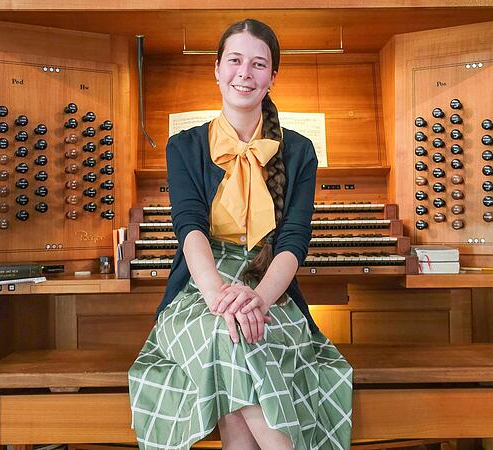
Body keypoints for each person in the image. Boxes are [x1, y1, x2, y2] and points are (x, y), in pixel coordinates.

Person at [128, 18, 352, 450]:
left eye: (258, 64)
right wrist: (217, 296)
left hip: (269, 287)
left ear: (272, 77)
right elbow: (188, 226)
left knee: (239, 334)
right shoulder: (185, 146)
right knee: (226, 329)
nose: (244, 74)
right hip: (199, 288)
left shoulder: (300, 150)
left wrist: (259, 299)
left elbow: (293, 241)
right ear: (216, 68)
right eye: (234, 61)